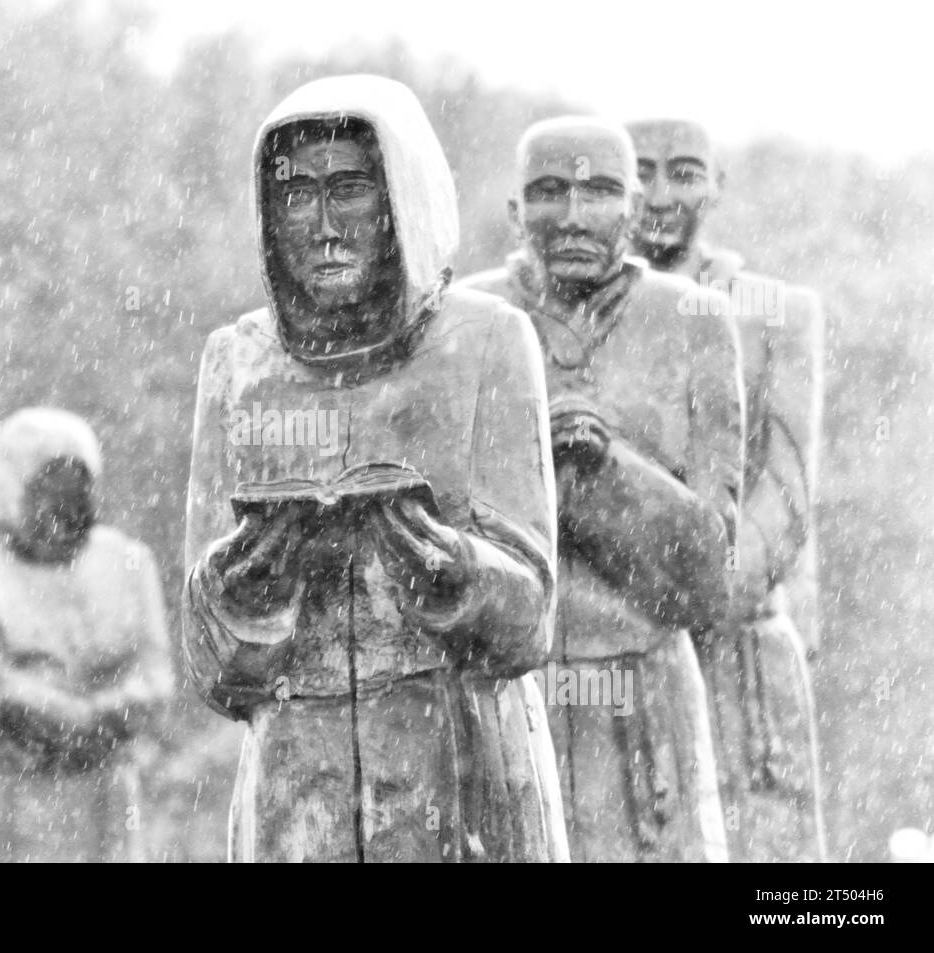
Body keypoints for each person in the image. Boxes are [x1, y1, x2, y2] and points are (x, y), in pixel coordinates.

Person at [183, 75, 567, 863]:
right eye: (296, 196)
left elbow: (532, 618)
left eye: (349, 189)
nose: (323, 226)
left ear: (403, 198)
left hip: (460, 760)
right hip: (299, 776)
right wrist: (241, 591)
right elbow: (211, 667)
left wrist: (455, 570)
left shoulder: (487, 341)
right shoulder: (238, 362)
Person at [461, 117, 744, 862]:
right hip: (509, 691)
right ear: (516, 212)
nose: (577, 214)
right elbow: (437, 535)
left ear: (633, 208)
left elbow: (709, 579)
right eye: (550, 191)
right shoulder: (468, 322)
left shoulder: (696, 319)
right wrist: (534, 462)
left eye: (601, 190)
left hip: (647, 692)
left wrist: (608, 467)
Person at [627, 118, 828, 861]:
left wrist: (703, 590)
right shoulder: (561, 316)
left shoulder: (777, 312)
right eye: (640, 171)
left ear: (717, 185)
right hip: (614, 648)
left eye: (682, 173)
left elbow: (788, 490)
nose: (658, 194)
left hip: (735, 638)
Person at [0, 407, 173, 862]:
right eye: (48, 492)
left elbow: (154, 678)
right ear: (11, 489)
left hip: (104, 787)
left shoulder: (129, 562)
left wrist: (99, 717)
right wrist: (65, 717)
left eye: (76, 492)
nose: (64, 511)